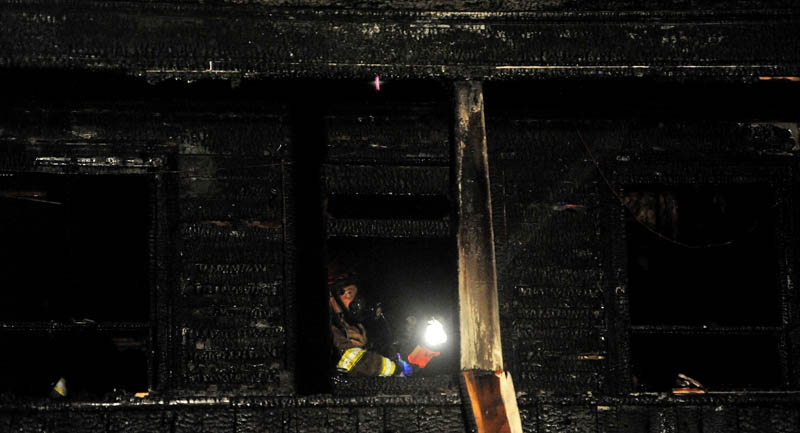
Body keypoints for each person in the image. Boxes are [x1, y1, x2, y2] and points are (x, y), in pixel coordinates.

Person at [328, 270, 412, 377]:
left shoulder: (350, 323)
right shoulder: (328, 327)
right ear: (330, 296)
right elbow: (350, 360)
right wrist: (394, 368)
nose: (355, 300)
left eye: (354, 293)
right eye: (349, 293)